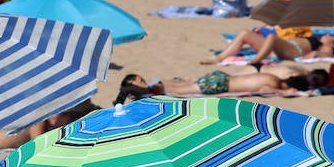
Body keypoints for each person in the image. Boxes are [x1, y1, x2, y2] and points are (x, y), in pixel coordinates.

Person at [116, 69, 320, 100]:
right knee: (179, 88)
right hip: (216, 82)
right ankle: (145, 91)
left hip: (217, 80)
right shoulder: (276, 83)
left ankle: (145, 91)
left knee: (178, 87)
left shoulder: (275, 79)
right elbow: (268, 91)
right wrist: (295, 93)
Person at [203, 27, 334, 66]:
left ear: (333, 44)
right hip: (276, 47)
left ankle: (255, 61)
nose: (327, 34)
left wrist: (311, 56)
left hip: (291, 51)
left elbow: (322, 55)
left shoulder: (325, 47)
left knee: (271, 37)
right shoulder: (317, 39)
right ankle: (219, 58)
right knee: (245, 33)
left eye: (330, 36)